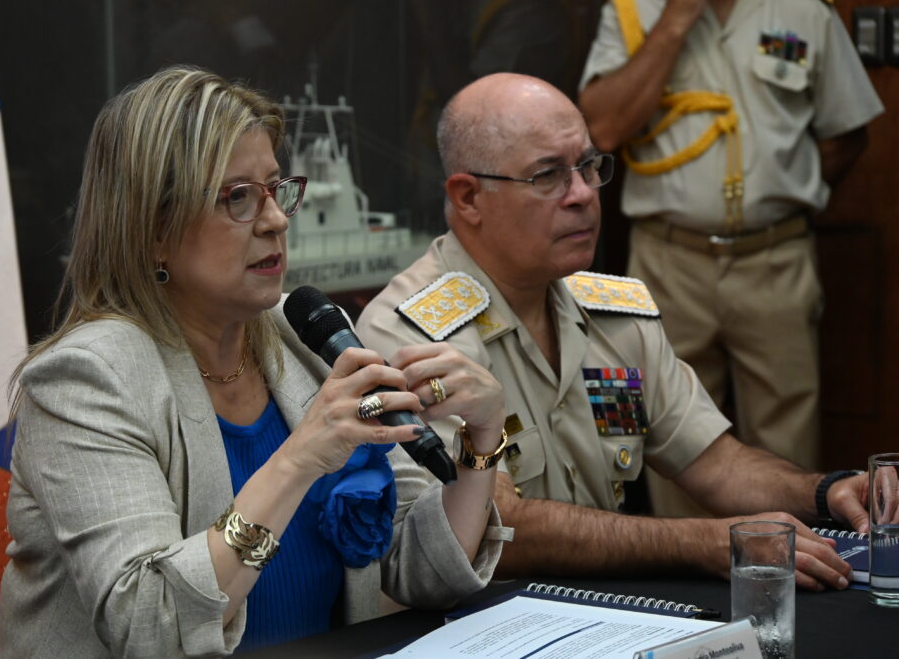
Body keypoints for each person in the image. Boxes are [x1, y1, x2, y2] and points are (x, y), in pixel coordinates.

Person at [0, 66, 510, 658]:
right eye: (237, 197)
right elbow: (151, 625)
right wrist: (297, 460)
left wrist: (482, 441)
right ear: (153, 230)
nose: (276, 220)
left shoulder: (304, 334)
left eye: (274, 188)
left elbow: (424, 570)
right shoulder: (86, 380)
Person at [355, 71, 870, 592]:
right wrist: (702, 542)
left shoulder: (614, 314)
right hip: (483, 621)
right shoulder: (411, 332)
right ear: (469, 198)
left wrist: (828, 491)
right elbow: (494, 525)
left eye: (588, 167)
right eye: (548, 176)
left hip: (612, 612)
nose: (582, 194)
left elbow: (717, 464)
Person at [577, 0, 884, 516]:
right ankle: (688, 564)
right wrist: (678, 15)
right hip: (666, 259)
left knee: (789, 445)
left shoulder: (804, 6)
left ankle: (791, 561)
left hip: (774, 257)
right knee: (666, 438)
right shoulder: (632, 3)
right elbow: (600, 128)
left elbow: (846, 134)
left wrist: (780, 195)